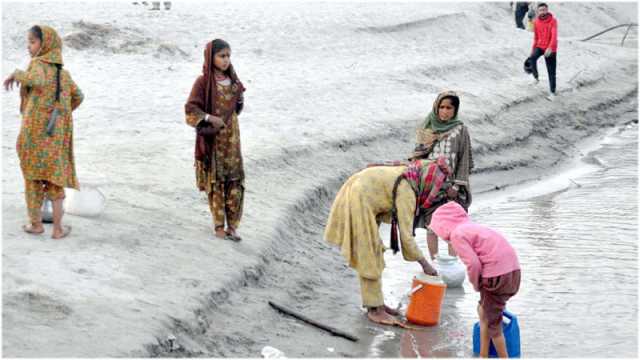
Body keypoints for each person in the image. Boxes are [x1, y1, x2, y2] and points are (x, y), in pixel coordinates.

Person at [324, 157, 451, 325]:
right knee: (369, 254)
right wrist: (425, 265)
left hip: (363, 189)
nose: (435, 194)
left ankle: (378, 303)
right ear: (429, 183)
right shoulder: (408, 191)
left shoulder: (414, 174)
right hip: (359, 196)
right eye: (437, 189)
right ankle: (374, 309)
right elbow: (406, 237)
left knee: (374, 250)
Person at [3, 25, 83, 239]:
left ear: (45, 44)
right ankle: (57, 229)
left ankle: (36, 224)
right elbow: (79, 96)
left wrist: (15, 74)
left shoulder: (37, 65)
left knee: (32, 178)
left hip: (33, 136)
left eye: (32, 42)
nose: (29, 47)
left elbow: (36, 80)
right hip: (54, 137)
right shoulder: (63, 74)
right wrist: (61, 114)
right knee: (54, 181)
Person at [430, 202, 521, 358]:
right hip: (513, 272)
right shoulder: (471, 228)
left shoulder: (457, 234)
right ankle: (483, 355)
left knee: (494, 325)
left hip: (496, 275)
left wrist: (476, 284)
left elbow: (473, 264)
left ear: (443, 227)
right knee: (483, 312)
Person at [185, 39, 246, 241]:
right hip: (214, 143)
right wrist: (210, 118)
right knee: (217, 181)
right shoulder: (202, 82)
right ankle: (219, 226)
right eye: (221, 56)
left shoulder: (235, 82)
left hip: (232, 141)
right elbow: (191, 109)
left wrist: (238, 101)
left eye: (228, 55)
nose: (226, 60)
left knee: (235, 180)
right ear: (210, 58)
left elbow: (236, 109)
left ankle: (233, 226)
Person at [410, 91, 473, 260]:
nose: (445, 111)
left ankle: (452, 264)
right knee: (432, 226)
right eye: (442, 107)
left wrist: (456, 186)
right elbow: (417, 156)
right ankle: (435, 261)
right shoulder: (427, 128)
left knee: (453, 227)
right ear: (436, 108)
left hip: (452, 187)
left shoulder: (460, 130)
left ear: (455, 110)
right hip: (431, 188)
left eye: (449, 108)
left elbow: (464, 160)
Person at [527, 3, 558, 95]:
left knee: (551, 71)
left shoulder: (553, 21)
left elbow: (554, 36)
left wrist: (550, 48)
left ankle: (552, 92)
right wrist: (533, 49)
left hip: (551, 48)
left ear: (547, 10)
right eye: (540, 10)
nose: (542, 12)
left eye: (544, 10)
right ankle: (536, 78)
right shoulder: (536, 22)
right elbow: (536, 38)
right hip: (540, 46)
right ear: (538, 11)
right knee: (532, 57)